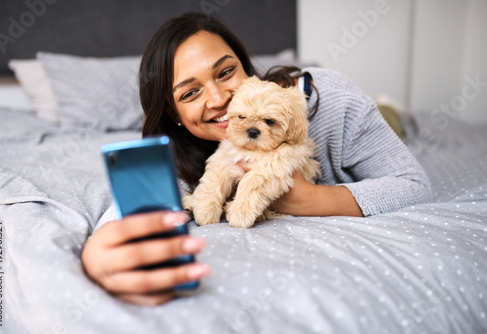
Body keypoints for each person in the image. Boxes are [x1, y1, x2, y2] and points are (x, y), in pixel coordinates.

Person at [81, 12, 433, 306]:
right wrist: (98, 254)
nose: (219, 98)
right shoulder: (178, 152)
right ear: (173, 114)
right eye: (190, 93)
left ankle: (388, 107)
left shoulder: (331, 100)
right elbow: (127, 215)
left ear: (247, 68)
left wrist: (306, 198)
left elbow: (413, 185)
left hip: (363, 123)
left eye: (225, 72)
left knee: (391, 120)